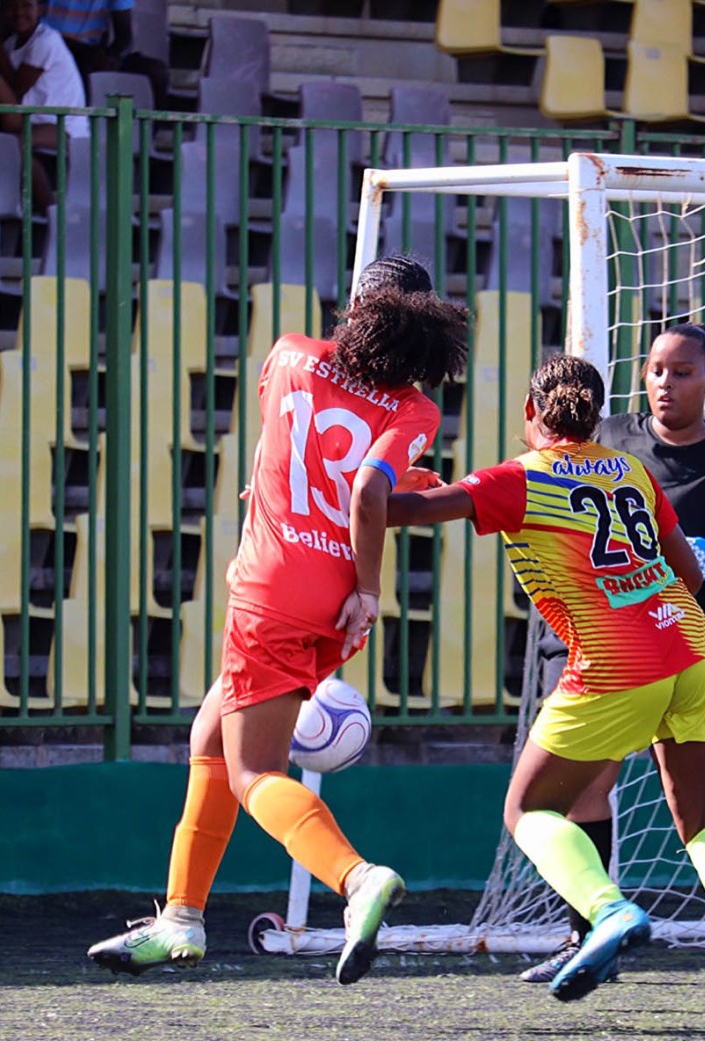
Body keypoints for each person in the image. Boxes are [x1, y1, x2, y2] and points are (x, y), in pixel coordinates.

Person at [87, 255, 470, 986]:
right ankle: (181, 917)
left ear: (356, 310)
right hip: (329, 603)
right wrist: (363, 590)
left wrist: (368, 580)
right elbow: (368, 489)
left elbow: (337, 475)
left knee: (253, 771)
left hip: (269, 593)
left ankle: (356, 878)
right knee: (210, 737)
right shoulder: (416, 409)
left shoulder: (290, 353)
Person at [387, 355, 705, 1021]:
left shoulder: (518, 478)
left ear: (530, 412)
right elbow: (691, 575)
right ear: (597, 414)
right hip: (691, 647)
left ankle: (608, 911)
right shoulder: (630, 469)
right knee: (703, 819)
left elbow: (396, 511)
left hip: (614, 663)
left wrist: (368, 481)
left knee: (529, 810)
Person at [518, 322, 705, 985]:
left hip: (685, 644)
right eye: (656, 370)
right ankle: (588, 936)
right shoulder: (611, 442)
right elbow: (544, 476)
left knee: (703, 804)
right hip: (594, 642)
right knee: (584, 787)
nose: (666, 383)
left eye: (682, 372)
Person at [0, 0, 89, 210]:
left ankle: (49, 212)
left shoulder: (46, 40)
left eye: (27, 6)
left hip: (64, 125)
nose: (18, 12)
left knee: (14, 145)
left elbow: (16, 86)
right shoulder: (11, 43)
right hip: (30, 118)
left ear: (40, 9)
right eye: (12, 6)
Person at [40, 0, 133, 76]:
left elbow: (124, 39)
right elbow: (32, 21)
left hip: (88, 56)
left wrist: (111, 60)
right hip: (45, 48)